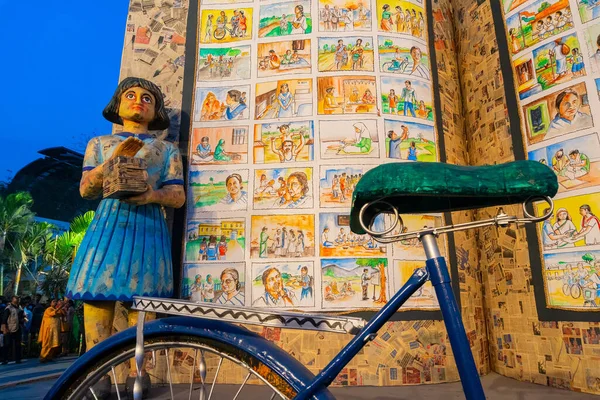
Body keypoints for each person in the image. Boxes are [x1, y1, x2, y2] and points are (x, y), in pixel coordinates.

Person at [66, 78, 185, 359]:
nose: (138, 101)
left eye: (147, 99)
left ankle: (139, 374)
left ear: (155, 112)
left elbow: (177, 195)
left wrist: (152, 196)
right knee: (95, 297)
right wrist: (111, 162)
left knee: (144, 305)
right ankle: (95, 375)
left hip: (148, 230)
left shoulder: (166, 149)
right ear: (117, 105)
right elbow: (86, 189)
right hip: (108, 226)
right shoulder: (100, 144)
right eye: (130, 95)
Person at [1, 296, 24, 364]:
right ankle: (5, 359)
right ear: (12, 300)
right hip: (9, 328)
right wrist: (4, 329)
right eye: (16, 298)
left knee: (18, 344)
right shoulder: (8, 308)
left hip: (17, 328)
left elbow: (21, 317)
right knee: (7, 344)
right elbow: (4, 319)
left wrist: (23, 320)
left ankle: (18, 359)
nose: (17, 299)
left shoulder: (20, 308)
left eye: (18, 298)